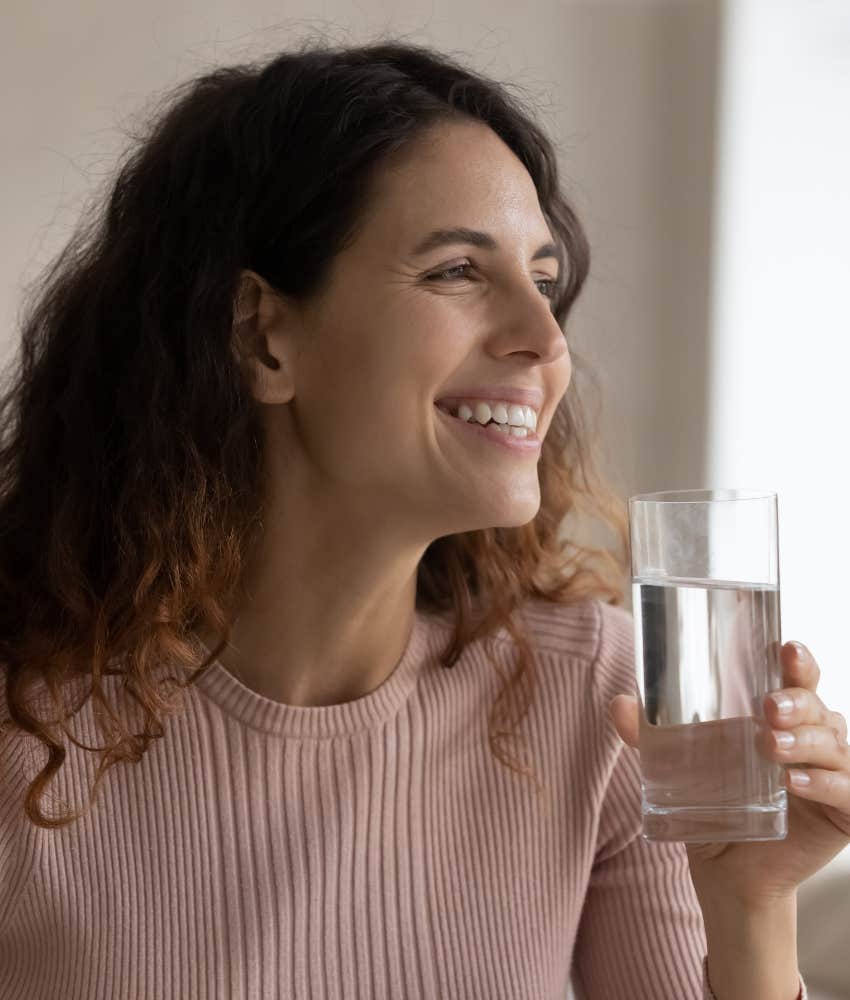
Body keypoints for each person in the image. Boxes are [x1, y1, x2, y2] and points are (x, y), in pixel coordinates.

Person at [1, 37, 844, 1000]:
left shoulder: (592, 702)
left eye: (543, 279)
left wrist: (749, 906)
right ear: (263, 336)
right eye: (456, 271)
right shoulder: (25, 731)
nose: (545, 339)